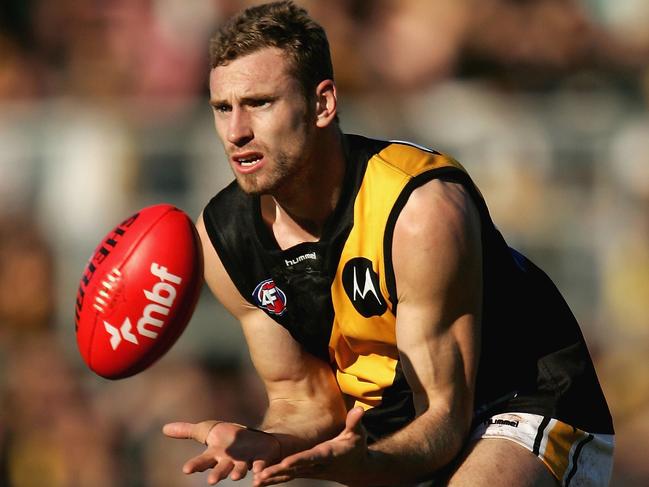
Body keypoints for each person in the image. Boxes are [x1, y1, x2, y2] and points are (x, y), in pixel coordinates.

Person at [162, 1, 615, 486]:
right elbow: (303, 399)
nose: (236, 132)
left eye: (260, 103)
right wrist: (269, 441)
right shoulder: (222, 239)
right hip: (392, 431)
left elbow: (443, 417)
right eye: (222, 108)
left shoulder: (419, 211)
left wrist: (370, 466)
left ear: (322, 104)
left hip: (520, 403)